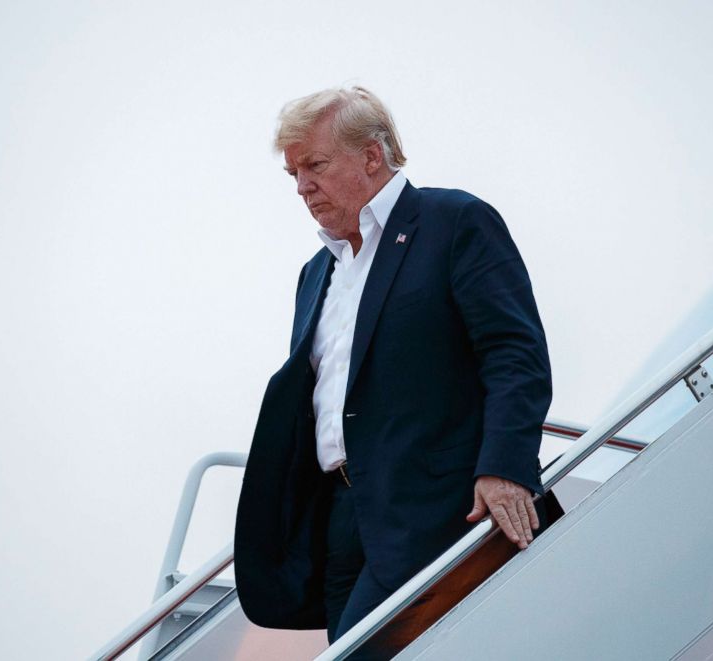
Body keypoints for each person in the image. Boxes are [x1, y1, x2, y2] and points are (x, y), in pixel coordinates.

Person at [233, 86, 554, 653]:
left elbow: (514, 351)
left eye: (315, 165)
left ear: (371, 156)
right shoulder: (315, 273)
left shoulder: (454, 221)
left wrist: (506, 466)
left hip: (433, 507)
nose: (303, 186)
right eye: (294, 174)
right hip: (341, 521)